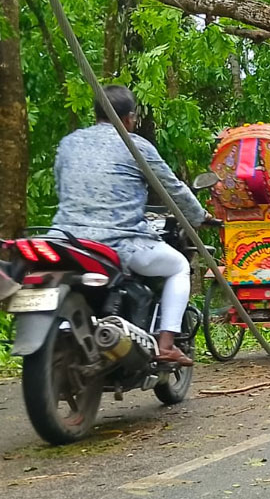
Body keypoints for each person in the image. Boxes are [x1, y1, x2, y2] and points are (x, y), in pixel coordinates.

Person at [52, 85, 213, 366]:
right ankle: (166, 345)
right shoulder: (135, 145)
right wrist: (200, 217)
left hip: (65, 239)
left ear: (96, 113)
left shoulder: (69, 142)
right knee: (178, 267)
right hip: (119, 242)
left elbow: (60, 186)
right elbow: (172, 188)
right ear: (129, 118)